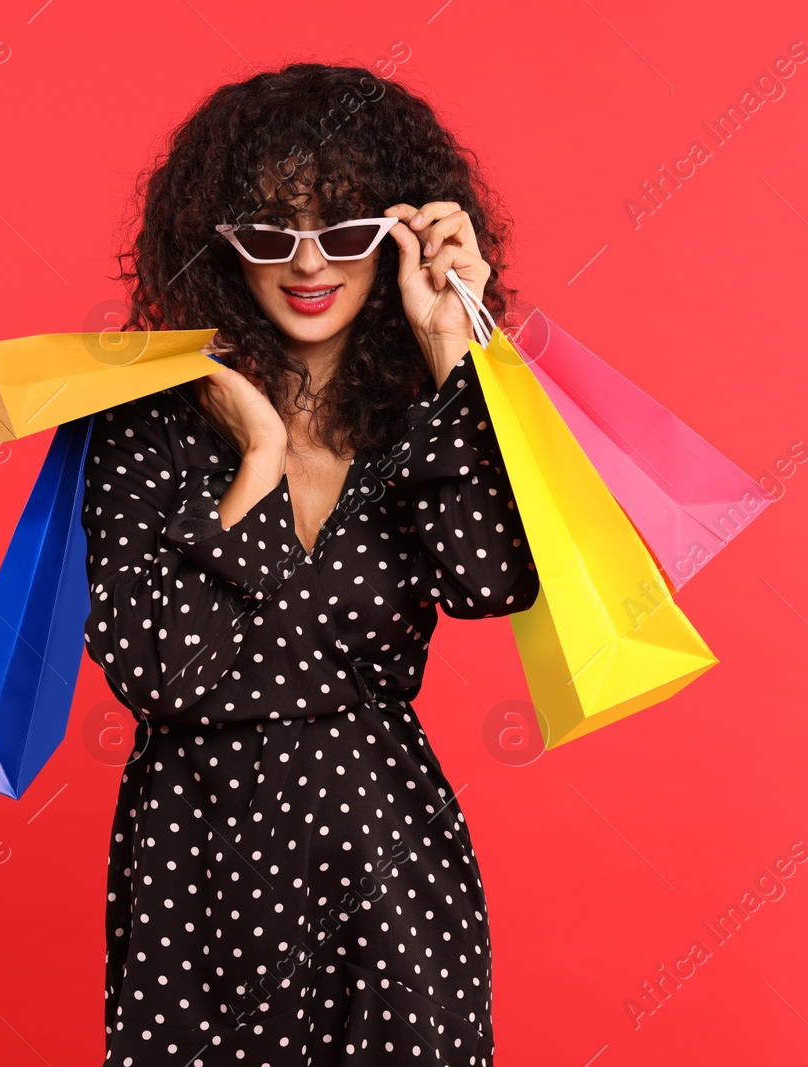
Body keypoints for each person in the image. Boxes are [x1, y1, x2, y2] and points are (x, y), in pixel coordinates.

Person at [83, 62, 539, 1066]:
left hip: (387, 868)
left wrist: (449, 347)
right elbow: (153, 668)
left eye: (340, 229)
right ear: (219, 243)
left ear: (393, 239)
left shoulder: (417, 414)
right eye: (268, 230)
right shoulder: (140, 422)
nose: (307, 262)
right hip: (197, 877)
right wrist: (255, 458)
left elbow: (490, 578)